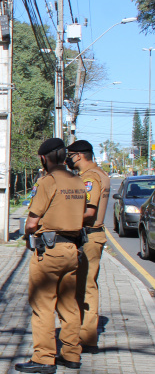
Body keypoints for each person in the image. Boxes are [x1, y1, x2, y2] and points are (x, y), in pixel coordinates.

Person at [15, 138, 87, 374]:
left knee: (43, 305)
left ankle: (44, 357)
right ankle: (71, 354)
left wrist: (27, 232)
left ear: (44, 159)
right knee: (69, 305)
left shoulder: (48, 181)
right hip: (72, 250)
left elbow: (33, 221)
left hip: (50, 250)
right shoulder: (78, 181)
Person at [66, 139, 111, 354]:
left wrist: (62, 219)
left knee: (86, 288)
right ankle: (84, 333)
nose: (68, 158)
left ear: (79, 155)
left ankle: (87, 338)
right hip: (92, 236)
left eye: (70, 154)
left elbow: (89, 211)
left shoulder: (90, 178)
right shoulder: (99, 173)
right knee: (84, 286)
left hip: (89, 237)